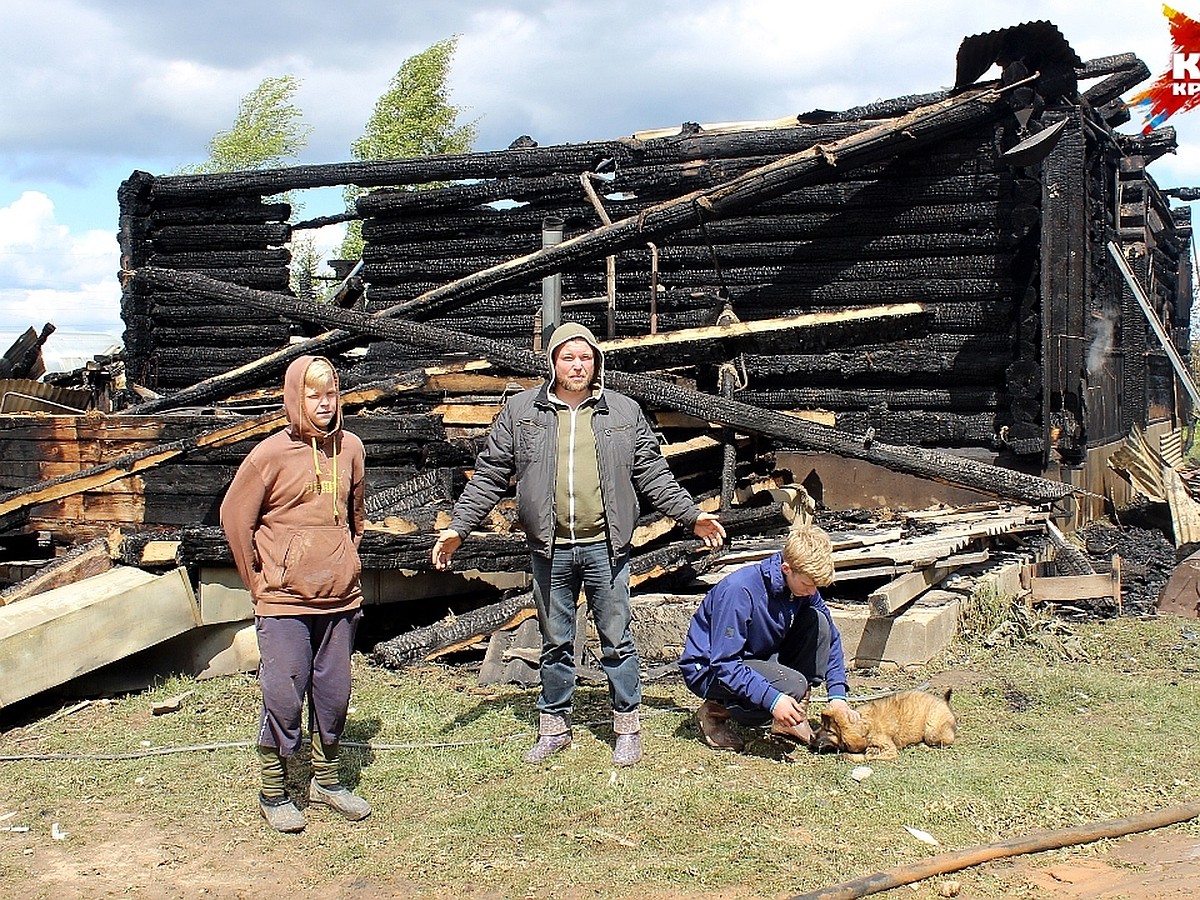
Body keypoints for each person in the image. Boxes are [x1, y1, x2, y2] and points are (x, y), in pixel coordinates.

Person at [432, 322, 726, 766]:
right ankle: (555, 726)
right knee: (556, 639)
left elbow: (651, 474)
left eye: (585, 357)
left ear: (596, 362)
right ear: (552, 363)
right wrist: (459, 527)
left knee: (617, 637)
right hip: (550, 549)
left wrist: (692, 515)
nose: (577, 365)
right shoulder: (522, 412)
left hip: (605, 547)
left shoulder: (623, 412)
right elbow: (491, 472)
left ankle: (627, 725)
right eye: (567, 357)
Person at [220, 355, 372, 833]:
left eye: (331, 393)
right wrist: (259, 580)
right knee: (284, 692)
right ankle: (273, 788)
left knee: (334, 693)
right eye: (313, 394)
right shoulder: (269, 454)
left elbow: (356, 516)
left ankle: (326, 781)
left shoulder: (351, 447)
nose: (324, 403)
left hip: (340, 598)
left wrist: (346, 558)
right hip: (283, 601)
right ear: (295, 397)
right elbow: (234, 517)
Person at [678, 523, 860, 752]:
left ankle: (792, 717)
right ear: (787, 569)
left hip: (757, 657)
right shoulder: (741, 591)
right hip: (710, 670)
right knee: (791, 684)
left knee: (819, 622)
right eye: (808, 584)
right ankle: (715, 711)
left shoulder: (801, 588)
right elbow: (724, 662)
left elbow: (831, 638)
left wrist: (837, 697)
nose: (813, 591)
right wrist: (773, 699)